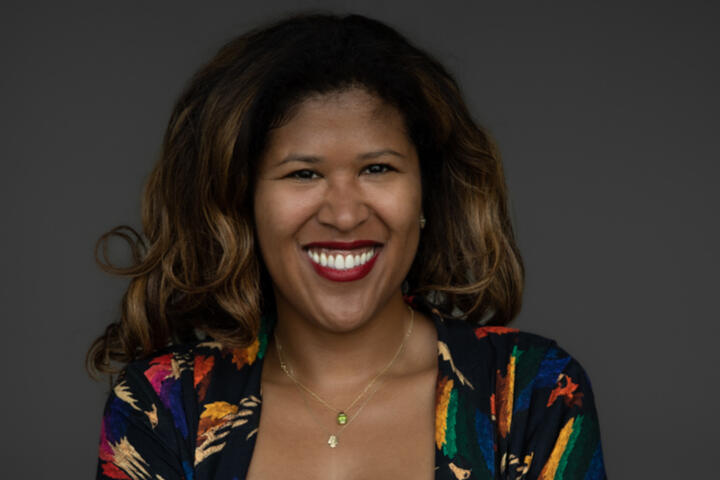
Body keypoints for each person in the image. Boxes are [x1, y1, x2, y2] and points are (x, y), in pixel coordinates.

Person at [89, 12, 606, 480]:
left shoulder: (531, 392)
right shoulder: (162, 406)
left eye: (377, 168)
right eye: (303, 173)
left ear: (426, 193)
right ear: (242, 202)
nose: (343, 214)